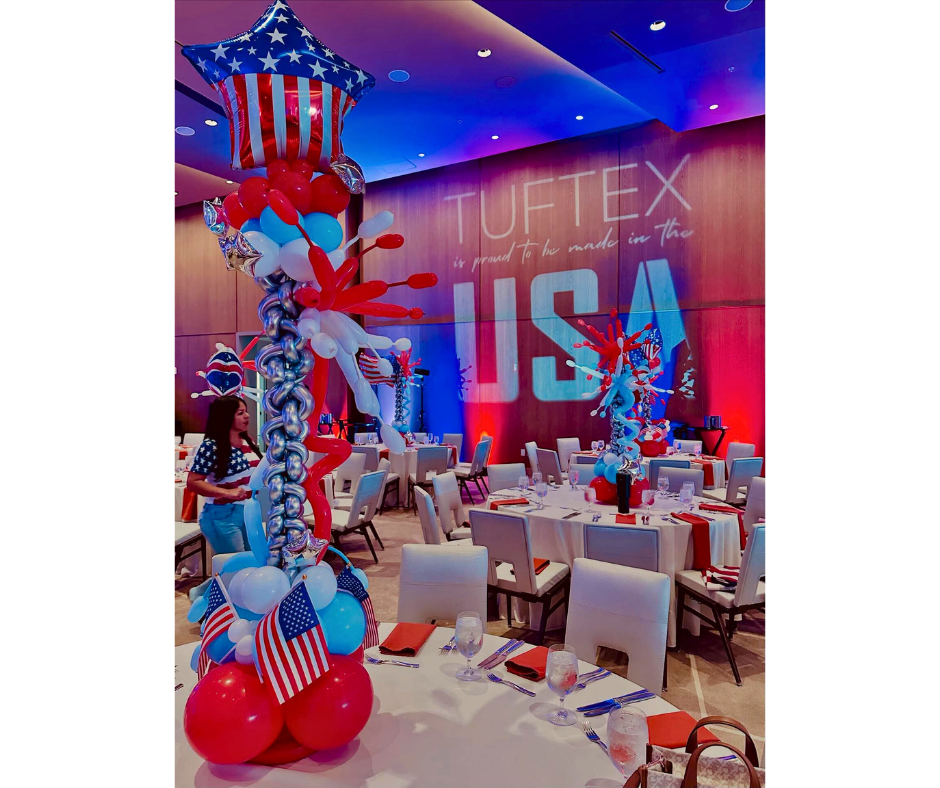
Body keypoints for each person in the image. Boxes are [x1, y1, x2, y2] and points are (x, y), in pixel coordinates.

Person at [186, 396, 262, 598]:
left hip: (247, 513)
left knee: (249, 562)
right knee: (236, 567)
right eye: (240, 412)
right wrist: (227, 492)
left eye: (245, 411)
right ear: (225, 416)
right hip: (221, 516)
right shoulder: (211, 446)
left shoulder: (248, 441)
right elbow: (193, 482)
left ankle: (202, 592)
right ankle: (204, 598)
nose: (246, 416)